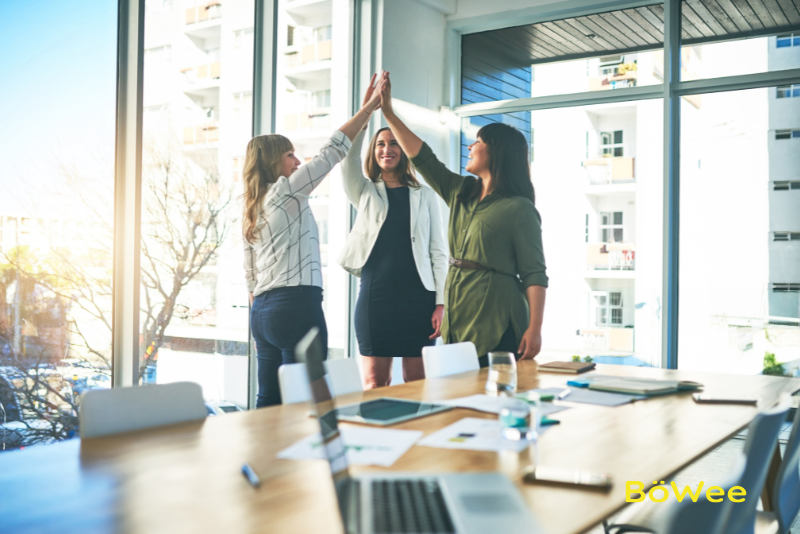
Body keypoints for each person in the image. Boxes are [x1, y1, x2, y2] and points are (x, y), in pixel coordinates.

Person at [379, 72, 547, 366]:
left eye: (478, 141)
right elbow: (423, 158)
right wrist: (388, 112)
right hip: (459, 307)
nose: (470, 146)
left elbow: (534, 274)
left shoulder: (519, 208)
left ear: (497, 152)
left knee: (495, 398)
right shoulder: (460, 191)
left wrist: (535, 328)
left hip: (498, 314)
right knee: (461, 394)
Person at [243, 75, 384, 407]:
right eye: (290, 155)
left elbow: (249, 274)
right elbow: (331, 152)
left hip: (262, 313)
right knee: (314, 402)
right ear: (273, 161)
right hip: (295, 307)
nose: (297, 162)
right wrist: (368, 109)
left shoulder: (251, 204)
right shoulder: (285, 190)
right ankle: (327, 457)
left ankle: (267, 459)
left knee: (270, 400)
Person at [339, 74, 448, 389]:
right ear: (373, 151)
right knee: (375, 381)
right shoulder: (363, 191)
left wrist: (441, 302)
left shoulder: (425, 195)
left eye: (393, 144)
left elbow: (438, 251)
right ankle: (380, 437)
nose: (387, 149)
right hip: (376, 299)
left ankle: (414, 437)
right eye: (381, 144)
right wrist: (365, 116)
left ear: (403, 150)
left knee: (416, 380)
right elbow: (347, 161)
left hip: (419, 299)